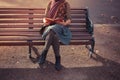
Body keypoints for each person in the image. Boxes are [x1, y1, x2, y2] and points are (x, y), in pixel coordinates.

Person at [38, 0, 72, 71]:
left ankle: (44, 53)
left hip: (60, 26)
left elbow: (69, 19)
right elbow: (45, 17)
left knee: (52, 30)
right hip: (49, 26)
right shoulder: (50, 3)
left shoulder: (65, 4)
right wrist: (46, 21)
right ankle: (58, 58)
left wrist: (65, 23)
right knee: (54, 34)